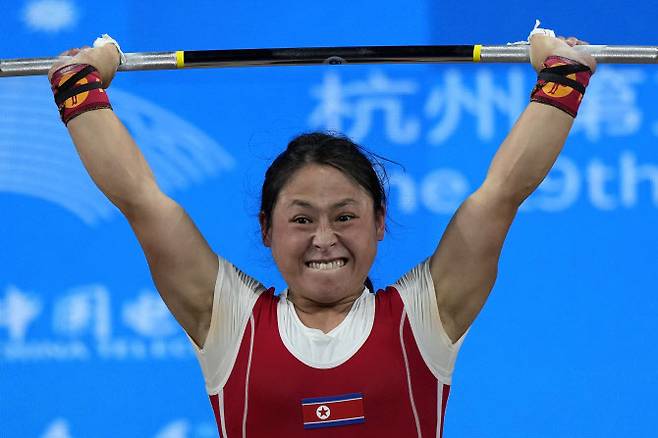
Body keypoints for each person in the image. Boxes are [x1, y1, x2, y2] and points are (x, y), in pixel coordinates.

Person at [47, 31, 596, 437]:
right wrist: (78, 86)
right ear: (267, 230)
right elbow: (141, 201)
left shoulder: (427, 316)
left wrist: (562, 80)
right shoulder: (228, 320)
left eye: (346, 216)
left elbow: (500, 195)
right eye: (302, 219)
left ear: (380, 222)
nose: (324, 238)